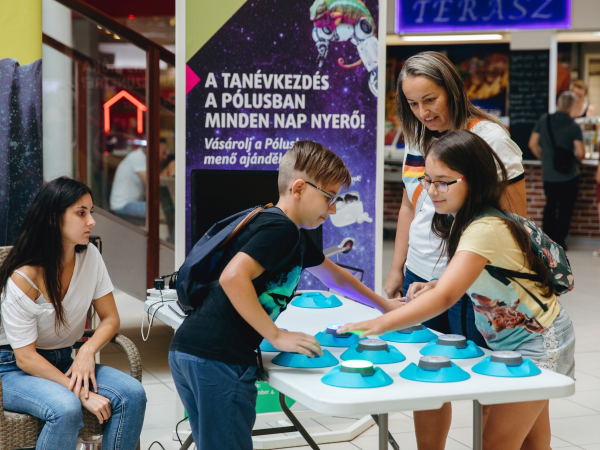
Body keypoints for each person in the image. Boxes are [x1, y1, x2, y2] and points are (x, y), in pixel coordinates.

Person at [341, 130, 575, 450]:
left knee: (497, 442)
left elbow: (447, 298)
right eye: (427, 180)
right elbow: (470, 281)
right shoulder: (466, 219)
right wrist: (438, 284)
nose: (431, 191)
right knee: (532, 442)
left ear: (473, 180)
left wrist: (376, 325)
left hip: (538, 341)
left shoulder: (484, 227)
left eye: (443, 182)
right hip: (523, 338)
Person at [168, 140, 401, 450]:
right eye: (329, 198)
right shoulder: (281, 230)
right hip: (218, 358)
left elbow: (336, 277)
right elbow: (233, 277)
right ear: (300, 188)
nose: (332, 210)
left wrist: (384, 305)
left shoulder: (287, 232)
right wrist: (275, 334)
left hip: (193, 351)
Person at [384, 51, 526, 449]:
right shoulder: (417, 134)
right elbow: (412, 202)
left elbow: (516, 220)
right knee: (429, 378)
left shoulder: (491, 139)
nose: (423, 112)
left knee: (489, 382)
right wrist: (398, 269)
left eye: (430, 99)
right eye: (413, 103)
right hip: (419, 276)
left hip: (475, 280)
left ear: (453, 89)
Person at [0, 177, 146, 450]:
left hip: (64, 360)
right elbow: (26, 358)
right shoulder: (24, 278)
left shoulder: (89, 256)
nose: (91, 221)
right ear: (54, 219)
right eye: (81, 213)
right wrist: (79, 391)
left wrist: (87, 351)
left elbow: (111, 318)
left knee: (132, 394)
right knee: (67, 407)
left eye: (91, 212)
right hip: (11, 370)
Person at [529, 91, 585, 250]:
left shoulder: (544, 120)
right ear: (573, 106)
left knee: (550, 206)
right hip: (569, 175)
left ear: (558, 103)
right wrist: (576, 160)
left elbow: (532, 144)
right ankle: (560, 242)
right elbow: (580, 153)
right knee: (565, 209)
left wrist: (544, 158)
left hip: (548, 174)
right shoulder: (574, 126)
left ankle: (547, 241)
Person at [110, 141, 170, 218]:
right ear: (155, 150)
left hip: (129, 203)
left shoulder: (142, 157)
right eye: (163, 153)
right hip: (123, 205)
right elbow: (152, 184)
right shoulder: (138, 157)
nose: (165, 157)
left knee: (163, 209)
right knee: (162, 210)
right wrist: (170, 168)